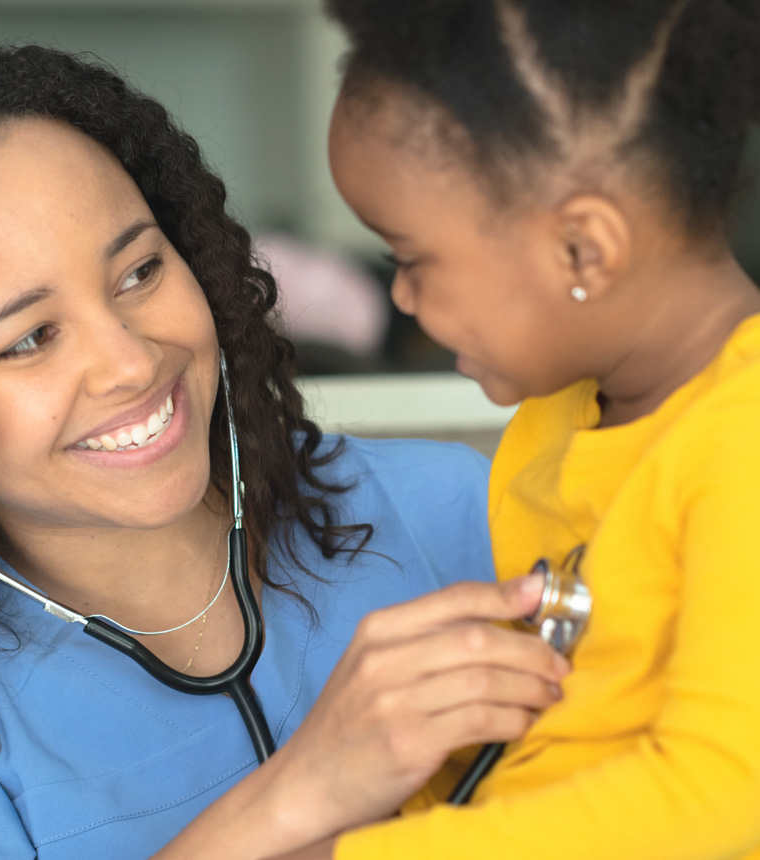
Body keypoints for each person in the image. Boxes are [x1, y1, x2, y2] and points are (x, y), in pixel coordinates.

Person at [0, 44, 568, 860]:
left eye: (139, 272)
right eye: (30, 338)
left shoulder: (465, 514)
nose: (134, 361)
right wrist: (297, 794)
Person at [290, 0, 760, 858]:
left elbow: (725, 797)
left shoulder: (744, 445)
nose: (401, 301)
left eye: (411, 259)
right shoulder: (559, 416)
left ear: (583, 250)